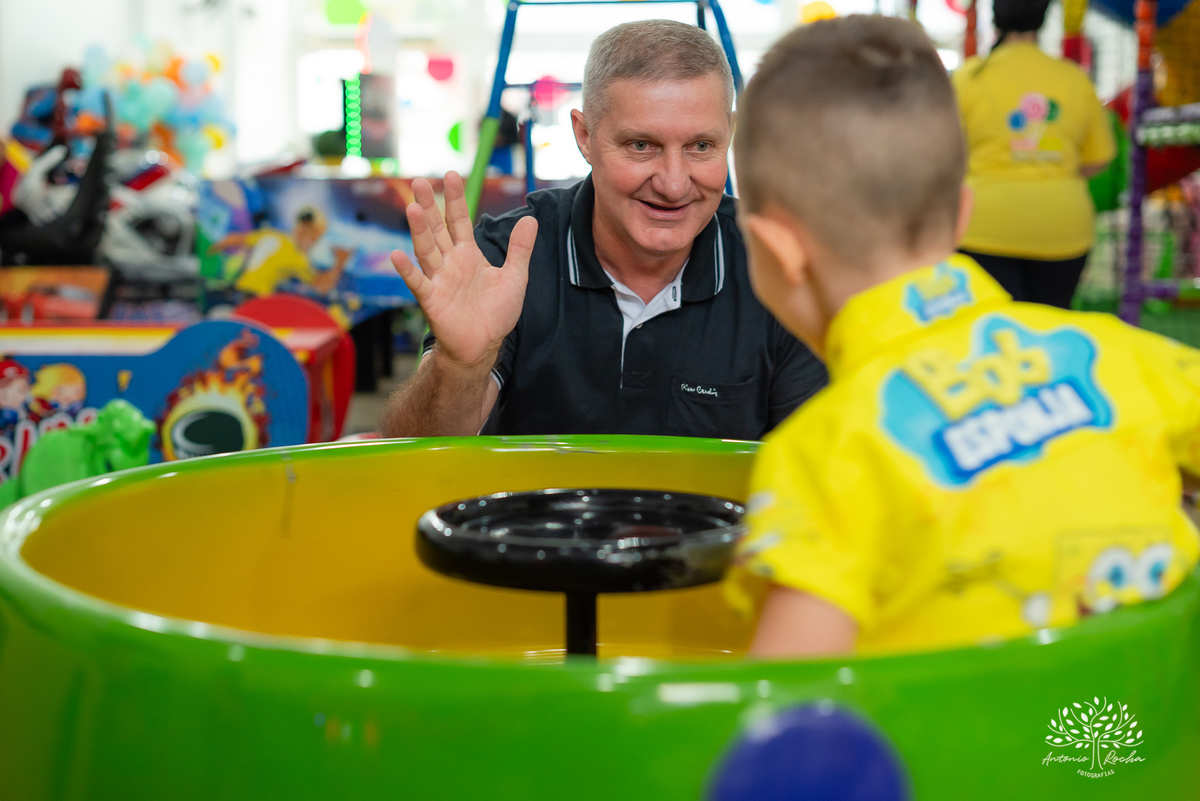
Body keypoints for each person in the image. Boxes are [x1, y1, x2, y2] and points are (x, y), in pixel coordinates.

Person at [723, 16, 1199, 659]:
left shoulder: (824, 454)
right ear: (964, 214)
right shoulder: (1122, 355)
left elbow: (784, 710)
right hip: (1146, 744)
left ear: (778, 252)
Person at [380, 20, 827, 439]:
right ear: (585, 136)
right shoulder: (509, 256)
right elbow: (414, 459)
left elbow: (821, 483)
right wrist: (460, 367)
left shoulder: (780, 269)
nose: (673, 185)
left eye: (700, 146)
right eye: (641, 145)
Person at [952, 0, 1116, 308]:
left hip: (983, 227)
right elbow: (1098, 158)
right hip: (1062, 231)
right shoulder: (1073, 78)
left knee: (994, 332)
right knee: (1050, 330)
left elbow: (946, 157)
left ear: (996, 19)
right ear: (1042, 20)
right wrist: (1049, 170)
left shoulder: (968, 78)